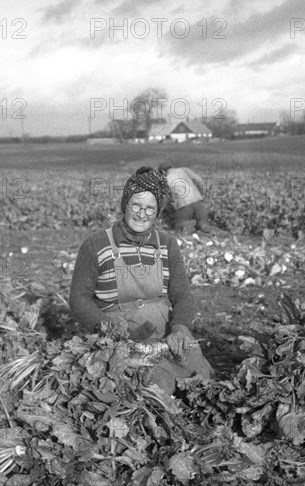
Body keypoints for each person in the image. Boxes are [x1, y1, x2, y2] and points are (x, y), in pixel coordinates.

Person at [69, 166, 213, 394]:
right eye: (136, 205)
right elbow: (79, 299)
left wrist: (180, 327)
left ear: (157, 212)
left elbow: (183, 295)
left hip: (166, 335)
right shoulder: (96, 245)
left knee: (201, 380)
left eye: (150, 208)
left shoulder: (166, 245)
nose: (142, 213)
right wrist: (107, 328)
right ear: (125, 205)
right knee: (156, 389)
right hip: (121, 340)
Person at [158, 161, 211, 234]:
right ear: (172, 166)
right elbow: (199, 180)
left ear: (163, 172)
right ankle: (202, 225)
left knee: (177, 225)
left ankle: (188, 224)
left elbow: (165, 199)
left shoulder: (166, 179)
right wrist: (201, 194)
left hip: (183, 206)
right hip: (198, 201)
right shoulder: (184, 170)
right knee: (203, 223)